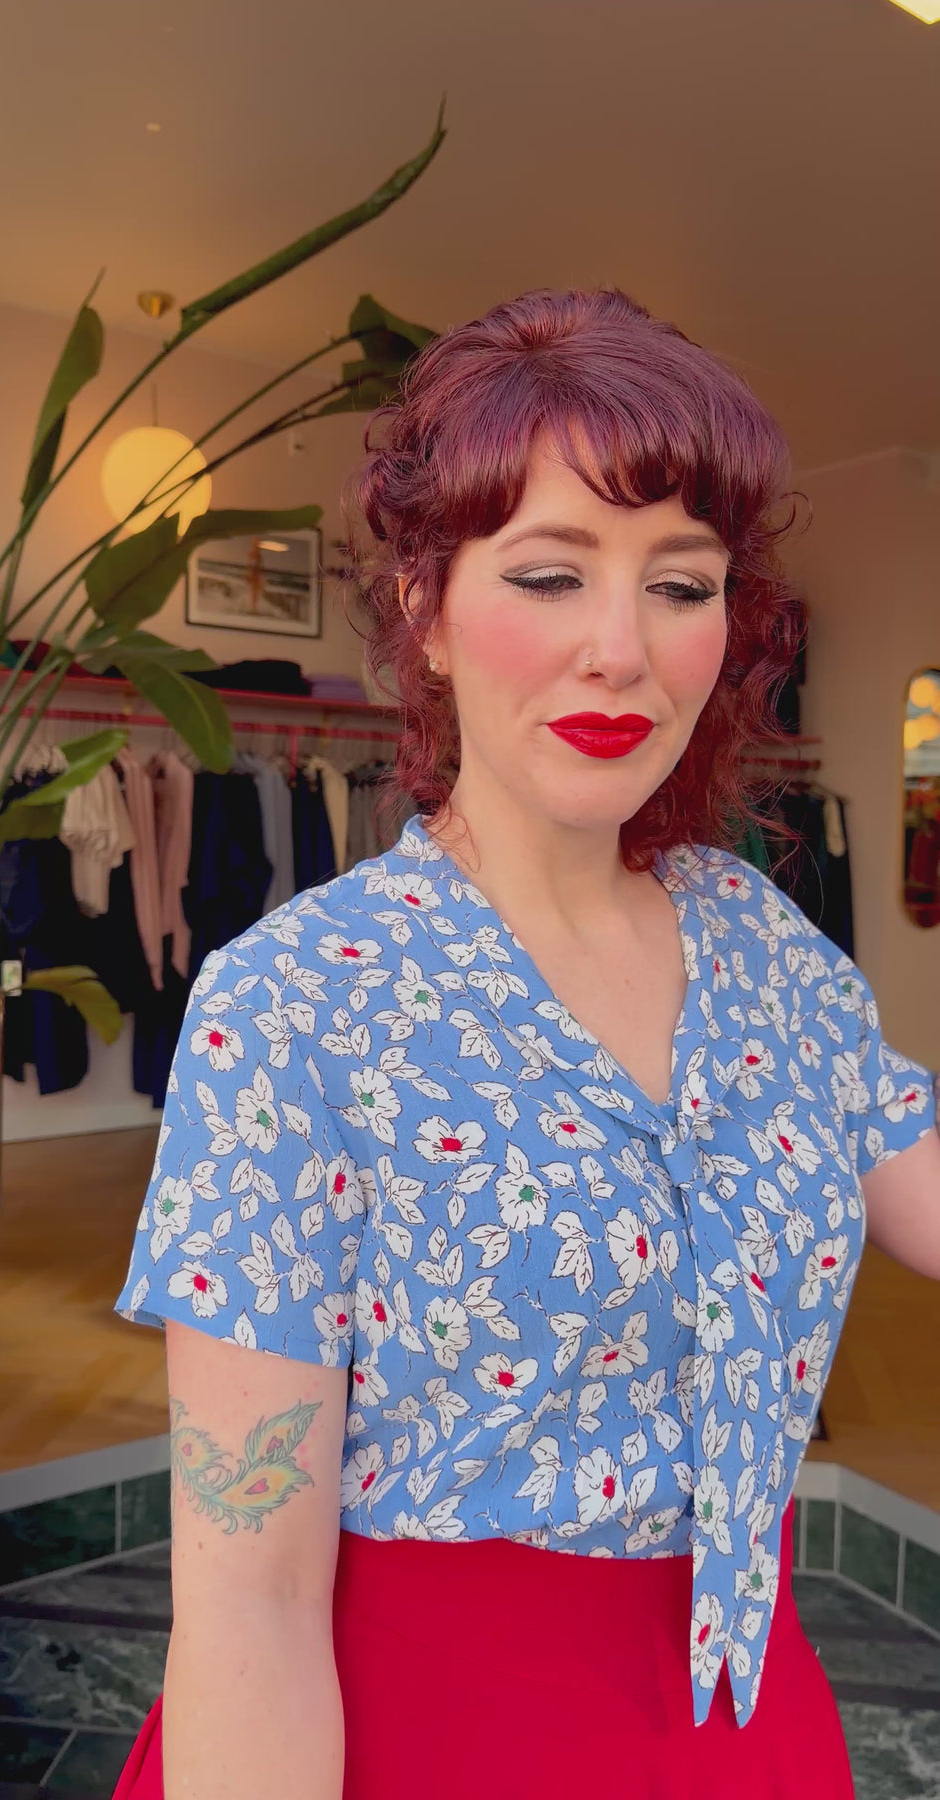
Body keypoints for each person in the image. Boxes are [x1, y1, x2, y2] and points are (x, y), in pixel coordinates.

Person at [111, 288, 940, 1800]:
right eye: (551, 575)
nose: (620, 649)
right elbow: (249, 1602)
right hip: (425, 1737)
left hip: (747, 1721)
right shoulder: (298, 1003)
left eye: (680, 585)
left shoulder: (762, 945)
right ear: (425, 610)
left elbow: (916, 1177)